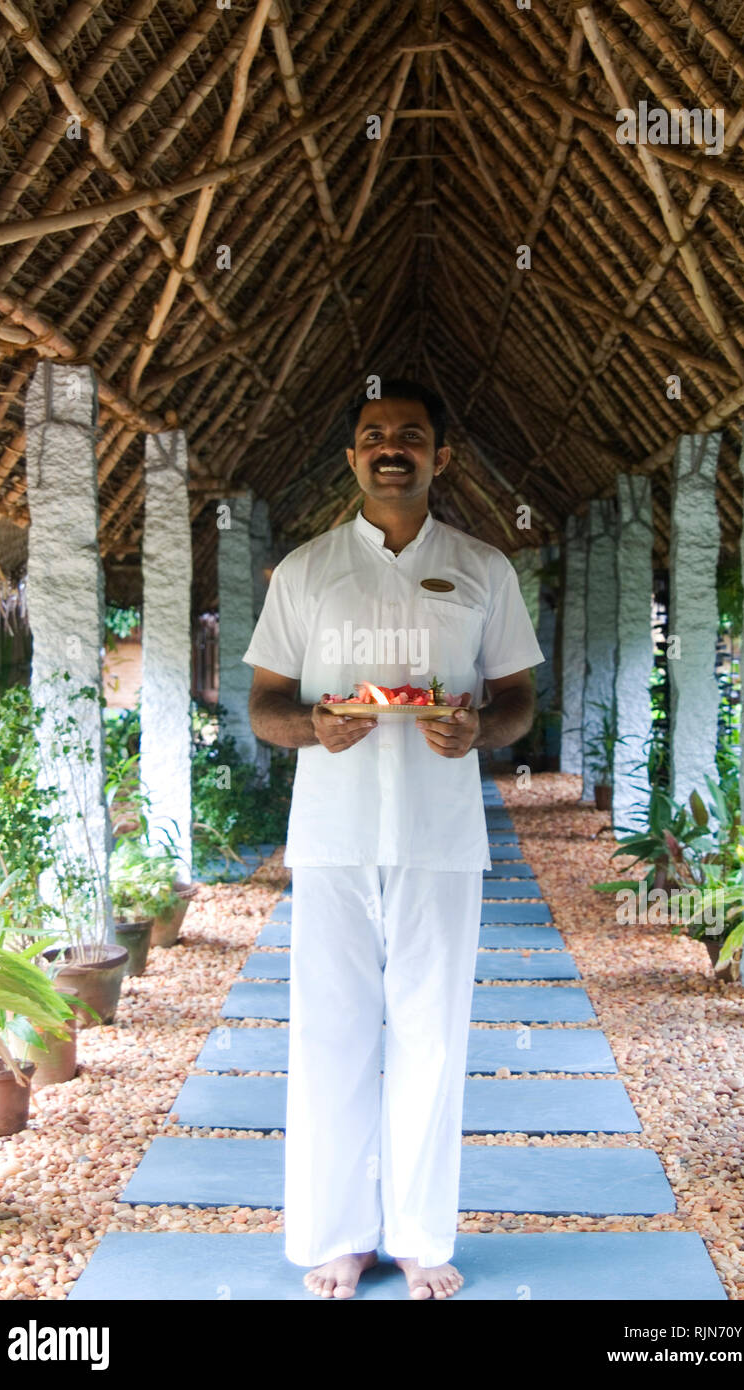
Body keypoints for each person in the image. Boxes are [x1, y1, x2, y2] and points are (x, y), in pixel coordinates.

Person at [242, 379, 544, 1299]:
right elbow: (263, 707)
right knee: (330, 1035)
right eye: (374, 434)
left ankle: (417, 1235)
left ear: (439, 456)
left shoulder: (485, 568)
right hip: (331, 834)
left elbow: (518, 701)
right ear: (352, 457)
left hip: (441, 834)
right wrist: (314, 729)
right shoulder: (305, 571)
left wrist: (479, 733)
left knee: (432, 1034)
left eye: (411, 435)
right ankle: (336, 1237)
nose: (392, 447)